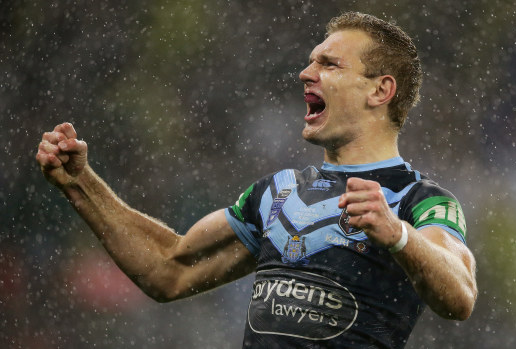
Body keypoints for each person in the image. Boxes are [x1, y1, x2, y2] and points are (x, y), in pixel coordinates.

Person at [36, 12, 477, 349]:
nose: (307, 73)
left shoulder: (418, 201)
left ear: (380, 91)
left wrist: (397, 235)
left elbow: (459, 295)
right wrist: (81, 184)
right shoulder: (276, 194)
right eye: (309, 62)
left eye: (329, 64)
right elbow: (167, 269)